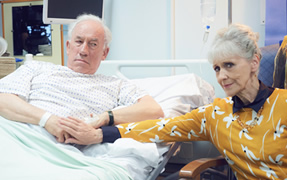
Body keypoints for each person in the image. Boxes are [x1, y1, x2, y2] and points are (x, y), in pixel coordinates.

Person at [60, 24, 287, 180]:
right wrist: (102, 132)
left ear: (254, 62)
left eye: (229, 65)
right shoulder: (215, 114)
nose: (222, 76)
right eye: (216, 68)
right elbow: (160, 128)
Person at [0, 13, 164, 144]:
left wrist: (105, 117)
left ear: (104, 53)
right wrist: (47, 120)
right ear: (68, 47)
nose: (83, 50)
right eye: (79, 41)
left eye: (93, 44)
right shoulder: (36, 68)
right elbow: (3, 99)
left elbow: (153, 111)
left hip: (60, 148)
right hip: (15, 136)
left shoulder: (116, 85)